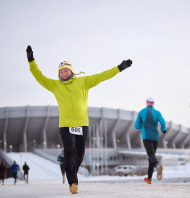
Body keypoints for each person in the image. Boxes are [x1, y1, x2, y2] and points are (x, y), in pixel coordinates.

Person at [26, 45, 132, 194]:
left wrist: (119, 68)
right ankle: (72, 183)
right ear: (59, 74)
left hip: (82, 124)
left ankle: (71, 173)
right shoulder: (55, 86)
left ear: (71, 71)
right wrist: (31, 61)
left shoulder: (84, 82)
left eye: (66, 71)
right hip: (65, 125)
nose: (63, 73)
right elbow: (39, 76)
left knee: (80, 154)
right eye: (61, 72)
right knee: (69, 151)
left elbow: (101, 76)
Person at [134, 97, 166, 184]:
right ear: (153, 104)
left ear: (146, 102)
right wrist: (163, 129)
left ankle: (157, 165)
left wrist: (143, 126)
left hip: (146, 137)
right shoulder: (157, 112)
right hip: (155, 137)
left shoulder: (141, 112)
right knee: (151, 157)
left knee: (151, 155)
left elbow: (136, 125)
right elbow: (163, 123)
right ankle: (149, 178)